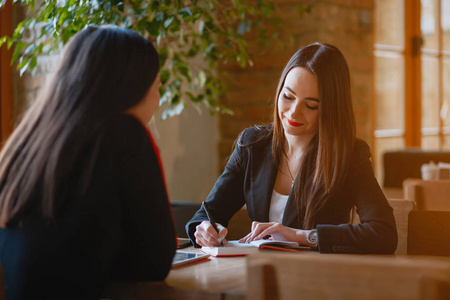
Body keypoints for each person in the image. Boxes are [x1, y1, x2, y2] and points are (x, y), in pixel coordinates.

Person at [0, 26, 176, 300]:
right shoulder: (124, 133)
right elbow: (154, 263)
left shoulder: (29, 142)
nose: (157, 99)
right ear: (129, 89)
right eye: (156, 87)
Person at [186, 42, 398, 254]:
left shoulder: (349, 155)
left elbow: (384, 233)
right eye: (288, 97)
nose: (294, 112)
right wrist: (205, 229)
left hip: (319, 278)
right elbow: (207, 214)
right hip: (260, 273)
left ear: (331, 109)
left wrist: (301, 236)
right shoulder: (252, 145)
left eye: (311, 105)